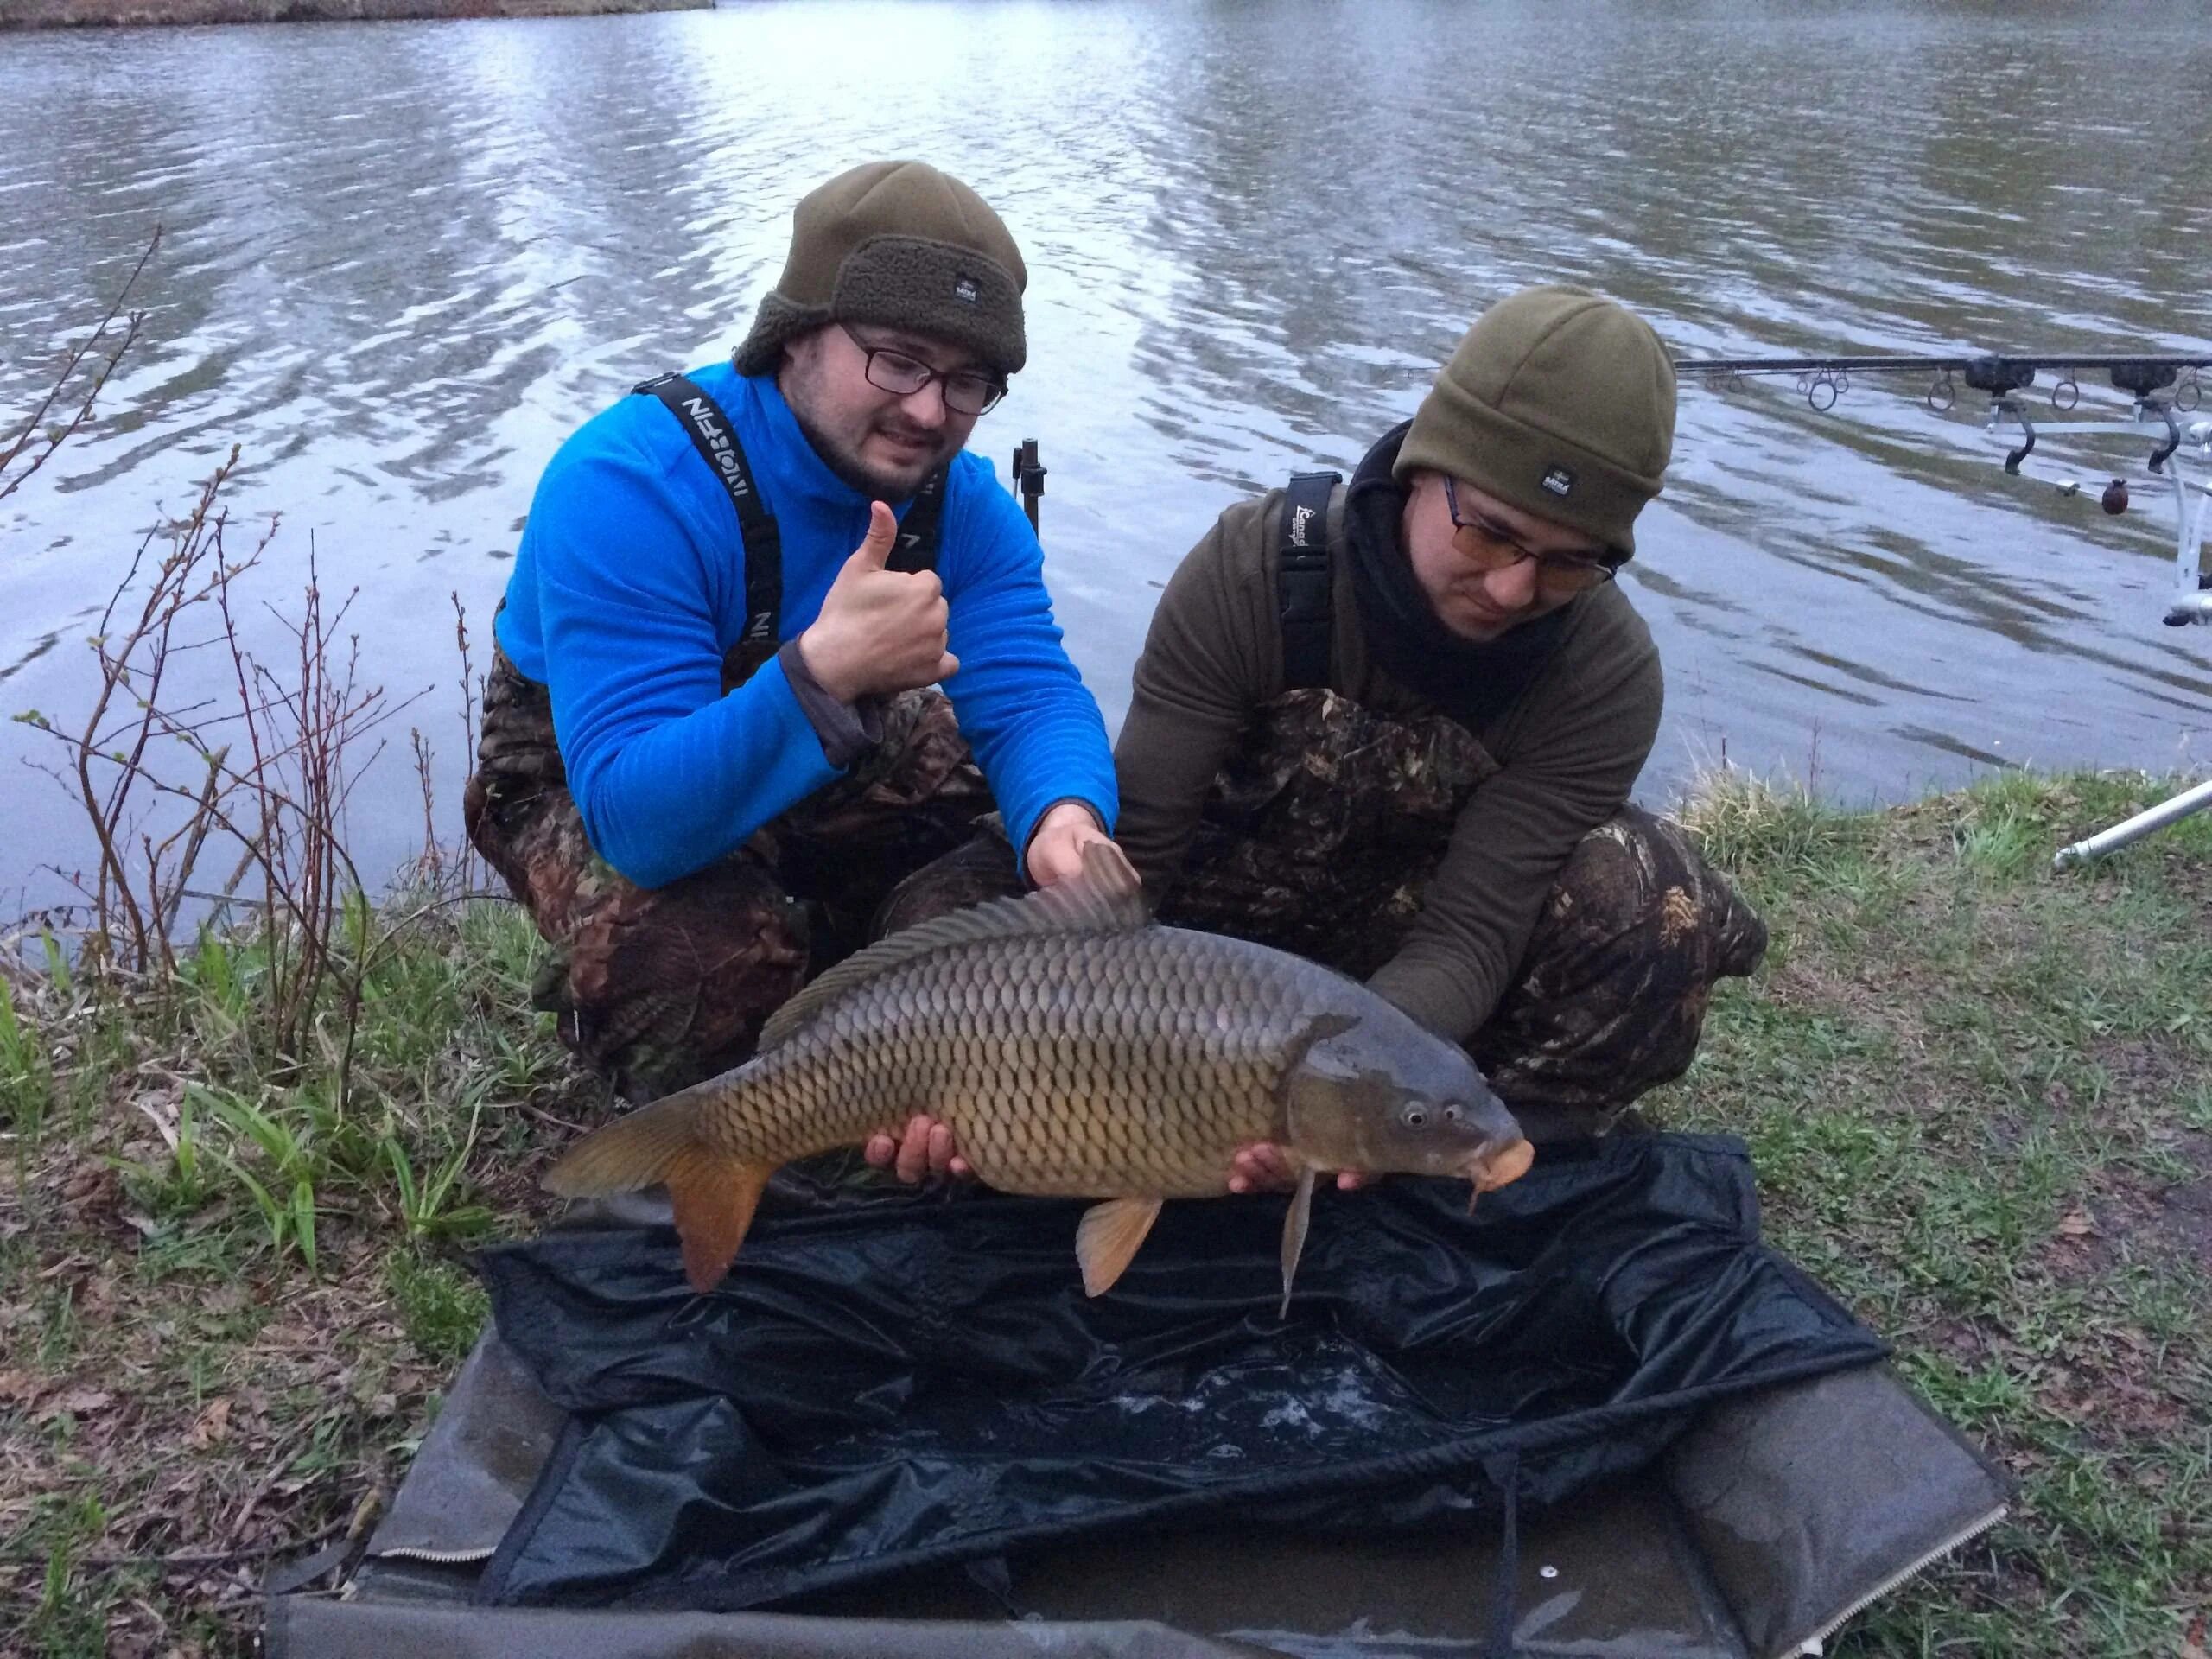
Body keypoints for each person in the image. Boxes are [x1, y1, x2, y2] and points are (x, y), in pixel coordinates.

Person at [464, 160, 1119, 1112]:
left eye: (969, 380)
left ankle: (889, 1003)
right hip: (594, 771)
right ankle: (657, 1053)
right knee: (700, 966)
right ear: (796, 333)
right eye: (897, 359)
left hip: (832, 730)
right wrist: (817, 677)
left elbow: (1028, 694)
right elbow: (639, 824)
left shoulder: (961, 505)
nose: (930, 412)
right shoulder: (633, 483)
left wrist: (1066, 817)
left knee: (1014, 899)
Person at [1111, 284, 1768, 1167]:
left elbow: (1468, 937)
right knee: (965, 899)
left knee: (1653, 905)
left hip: (1411, 962)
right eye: (1489, 534)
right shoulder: (1253, 567)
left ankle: (1479, 1155)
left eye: (1569, 562)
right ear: (1424, 469)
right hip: (1205, 953)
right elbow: (1136, 860)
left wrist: (1344, 1095)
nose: (1511, 590)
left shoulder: (1604, 675)